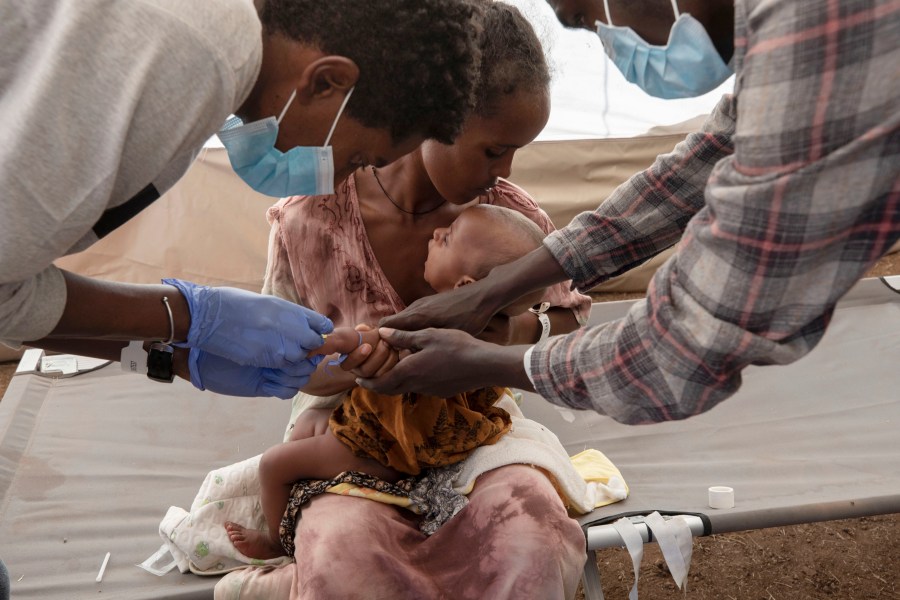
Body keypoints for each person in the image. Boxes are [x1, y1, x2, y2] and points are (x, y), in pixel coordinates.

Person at [361, 0, 900, 425]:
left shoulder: (820, 31)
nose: (606, 41)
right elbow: (703, 164)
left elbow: (684, 346)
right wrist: (491, 292)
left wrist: (485, 362)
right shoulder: (790, 29)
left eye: (584, 18)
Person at [233, 4, 593, 597]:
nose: (505, 169)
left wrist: (508, 334)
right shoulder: (312, 220)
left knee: (529, 533)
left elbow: (569, 320)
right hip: (351, 433)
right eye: (493, 149)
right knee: (344, 554)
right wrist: (350, 368)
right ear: (438, 118)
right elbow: (290, 365)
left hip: (468, 429)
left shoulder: (509, 220)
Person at [0, 0, 483, 400]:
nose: (335, 181)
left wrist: (175, 354)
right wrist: (191, 314)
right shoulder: (194, 54)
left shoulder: (214, 51)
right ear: (325, 81)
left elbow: (13, 287)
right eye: (356, 158)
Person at [225, 204, 550, 560]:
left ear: (465, 285)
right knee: (309, 421)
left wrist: (344, 341)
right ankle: (317, 470)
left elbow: (384, 345)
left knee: (274, 465)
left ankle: (279, 543)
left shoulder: (441, 325)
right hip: (397, 424)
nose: (437, 232)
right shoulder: (478, 330)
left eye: (448, 237)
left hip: (389, 442)